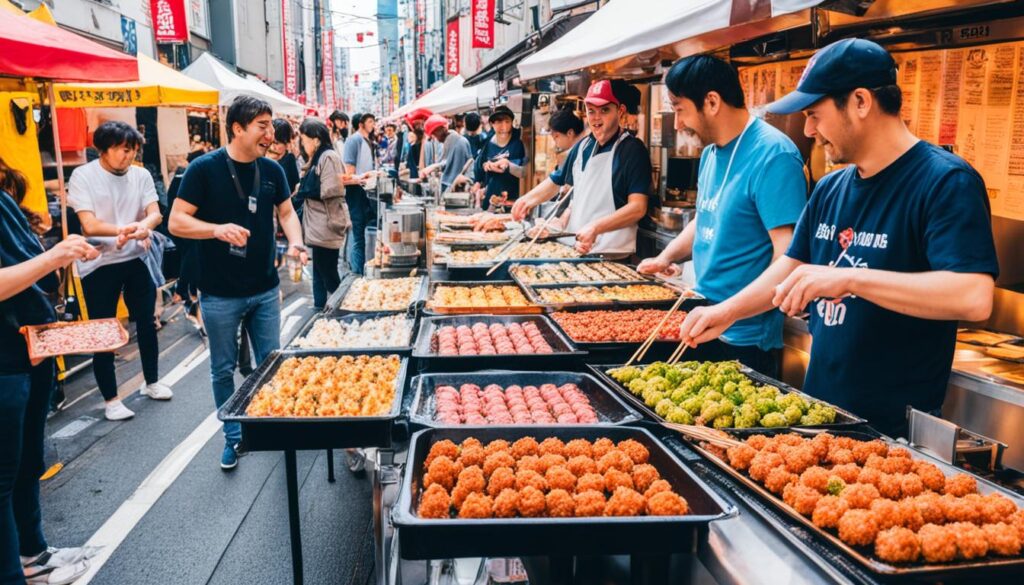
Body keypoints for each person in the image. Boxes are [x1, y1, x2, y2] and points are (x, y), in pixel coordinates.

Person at [678, 38, 999, 437]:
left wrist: (848, 279)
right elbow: (788, 268)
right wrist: (725, 312)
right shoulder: (832, 188)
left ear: (861, 102)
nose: (809, 130)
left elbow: (973, 296)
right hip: (820, 414)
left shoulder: (945, 181)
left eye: (815, 114)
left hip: (893, 429)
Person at [635, 56, 807, 378]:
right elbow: (706, 216)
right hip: (704, 317)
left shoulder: (774, 155)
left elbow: (788, 256)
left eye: (679, 108)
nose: (677, 123)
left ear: (711, 101)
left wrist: (730, 311)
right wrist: (666, 256)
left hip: (746, 337)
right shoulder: (711, 152)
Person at [170, 96, 307, 470]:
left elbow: (287, 213)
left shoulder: (273, 171)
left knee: (271, 363)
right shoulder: (203, 169)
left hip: (265, 288)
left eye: (270, 125)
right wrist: (216, 229)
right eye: (262, 125)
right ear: (237, 128)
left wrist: (295, 242)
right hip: (218, 293)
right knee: (222, 369)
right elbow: (176, 221)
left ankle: (270, 426)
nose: (270, 133)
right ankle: (233, 438)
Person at [1, 157, 100, 584]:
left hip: (30, 347)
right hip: (6, 359)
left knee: (26, 463)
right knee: (4, 476)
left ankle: (33, 553)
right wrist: (54, 256)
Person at [67, 121, 172, 421]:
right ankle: (111, 399)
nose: (129, 157)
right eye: (125, 151)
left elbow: (155, 212)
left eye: (134, 151)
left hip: (136, 257)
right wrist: (124, 229)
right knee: (103, 331)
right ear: (105, 149)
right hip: (98, 263)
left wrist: (143, 227)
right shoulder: (83, 176)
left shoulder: (139, 174)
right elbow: (89, 224)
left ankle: (151, 381)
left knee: (147, 322)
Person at [511, 80, 650, 257]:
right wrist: (526, 200)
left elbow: (638, 207)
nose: (596, 117)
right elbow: (557, 181)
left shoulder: (632, 150)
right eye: (591, 111)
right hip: (576, 250)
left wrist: (596, 227)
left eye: (604, 110)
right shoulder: (583, 146)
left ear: (620, 111)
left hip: (612, 255)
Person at [296, 118, 349, 310]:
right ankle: (320, 309)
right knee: (318, 270)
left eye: (304, 139)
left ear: (316, 139)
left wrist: (305, 189)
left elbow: (331, 189)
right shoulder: (317, 157)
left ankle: (341, 308)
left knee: (327, 272)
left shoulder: (328, 156)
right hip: (317, 224)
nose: (302, 144)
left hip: (327, 223)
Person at [342, 112, 379, 275]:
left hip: (367, 192)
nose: (372, 124)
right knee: (358, 235)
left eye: (373, 121)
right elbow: (349, 172)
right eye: (370, 121)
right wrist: (362, 178)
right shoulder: (354, 140)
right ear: (361, 124)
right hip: (356, 192)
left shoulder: (368, 141)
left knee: (363, 234)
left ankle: (361, 270)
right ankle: (356, 274)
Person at [468, 105, 526, 209]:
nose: (503, 127)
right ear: (492, 124)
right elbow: (480, 166)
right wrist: (478, 182)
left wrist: (506, 164)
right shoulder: (488, 143)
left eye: (507, 122)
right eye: (499, 122)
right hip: (491, 200)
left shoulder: (518, 143)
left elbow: (524, 171)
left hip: (511, 201)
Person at [421, 114, 474, 192]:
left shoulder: (457, 142)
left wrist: (432, 167)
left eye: (435, 134)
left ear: (442, 130)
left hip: (458, 189)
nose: (435, 138)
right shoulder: (451, 140)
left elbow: (448, 164)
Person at [268, 119, 301, 197]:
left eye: (276, 143)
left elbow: (293, 188)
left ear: (287, 144)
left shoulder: (289, 160)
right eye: (271, 142)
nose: (272, 147)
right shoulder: (261, 158)